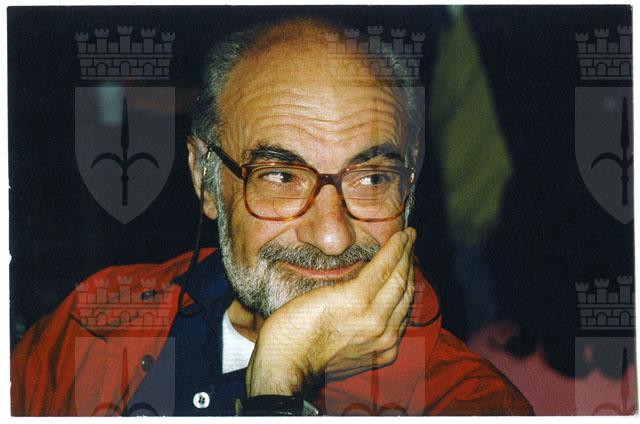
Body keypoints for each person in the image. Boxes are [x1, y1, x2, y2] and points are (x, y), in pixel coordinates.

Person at [11, 17, 533, 416]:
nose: (332, 236)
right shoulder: (90, 325)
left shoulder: (462, 403)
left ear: (410, 182)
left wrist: (279, 381)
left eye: (371, 178)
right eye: (281, 176)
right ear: (205, 178)